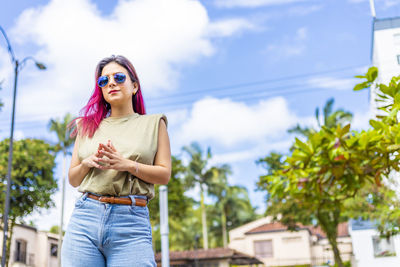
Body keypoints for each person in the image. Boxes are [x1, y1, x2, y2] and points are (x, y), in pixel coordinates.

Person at [61, 55, 171, 267]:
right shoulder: (86, 126)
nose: (111, 83)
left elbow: (164, 174)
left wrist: (126, 164)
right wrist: (87, 163)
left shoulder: (154, 124)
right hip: (85, 219)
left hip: (131, 223)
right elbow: (74, 180)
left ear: (134, 86)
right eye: (104, 81)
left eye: (119, 77)